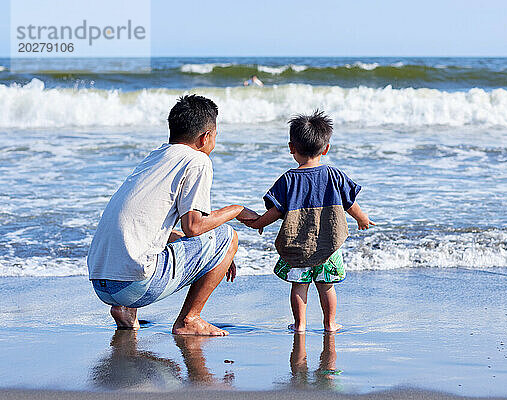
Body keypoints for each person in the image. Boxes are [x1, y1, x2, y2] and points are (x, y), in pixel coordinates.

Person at [87, 95, 258, 336]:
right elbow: (194, 227)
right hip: (132, 285)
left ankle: (125, 310)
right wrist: (236, 211)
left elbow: (150, 229)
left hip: (102, 284)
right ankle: (190, 319)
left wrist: (215, 255)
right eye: (216, 136)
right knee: (228, 236)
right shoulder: (197, 160)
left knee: (198, 242)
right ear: (205, 137)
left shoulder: (156, 156)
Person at [245, 110, 374, 332]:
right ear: (326, 148)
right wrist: (362, 219)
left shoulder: (288, 179)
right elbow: (349, 202)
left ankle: (300, 324)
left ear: (291, 148)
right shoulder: (334, 175)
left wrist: (259, 223)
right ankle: (330, 323)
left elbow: (276, 210)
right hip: (328, 245)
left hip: (298, 246)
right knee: (327, 287)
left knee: (299, 286)